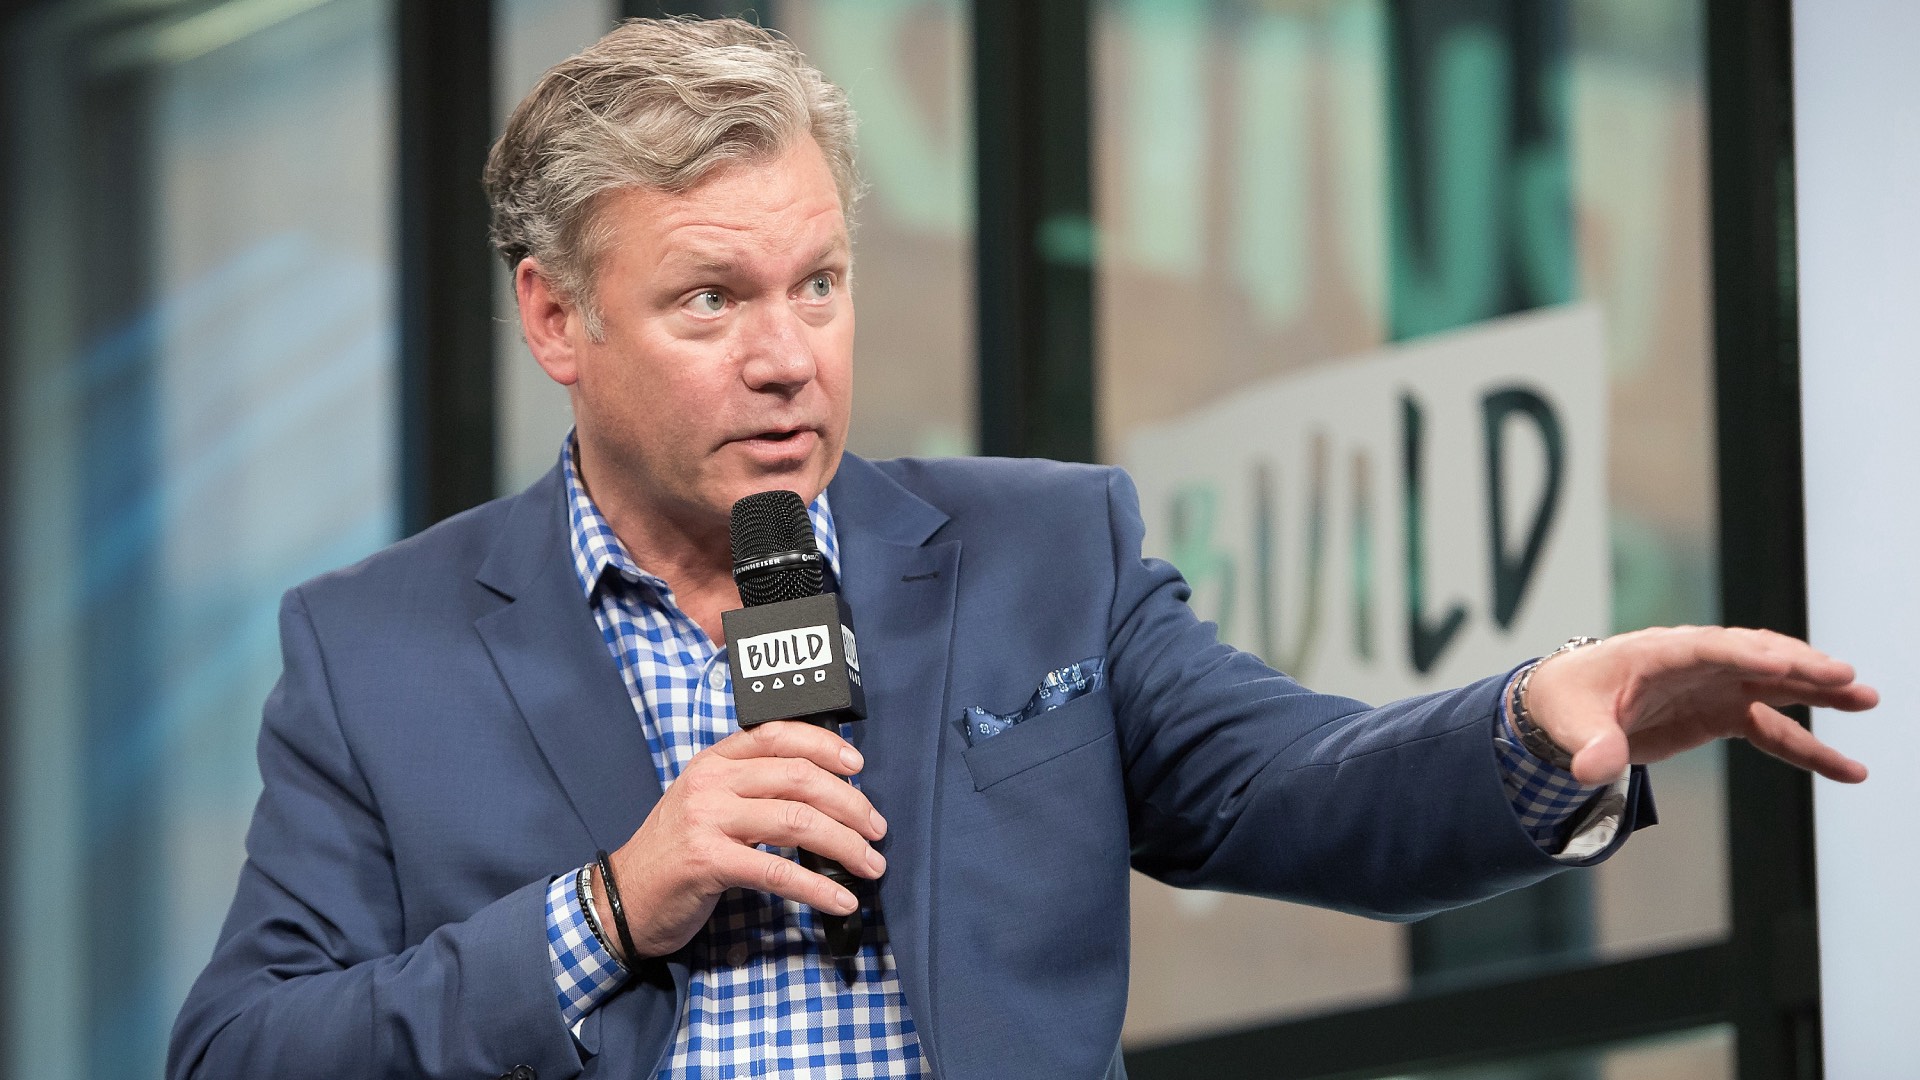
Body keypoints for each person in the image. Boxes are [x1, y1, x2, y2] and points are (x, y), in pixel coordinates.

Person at [167, 17, 1876, 1080]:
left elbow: (1306, 789)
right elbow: (245, 1054)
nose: (787, 356)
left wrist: (1533, 721)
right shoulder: (374, 648)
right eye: (710, 299)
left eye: (816, 285)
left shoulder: (1043, 551)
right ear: (554, 317)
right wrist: (614, 907)